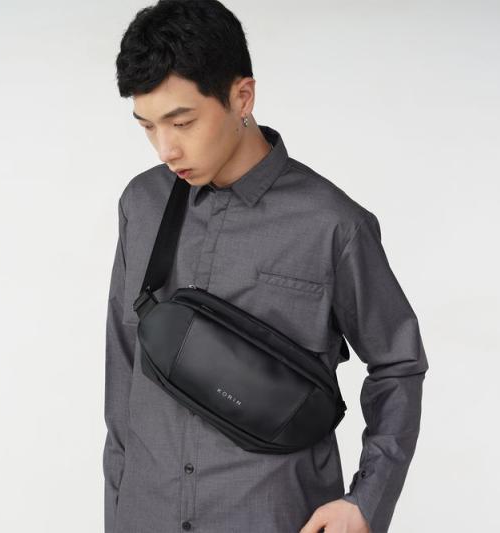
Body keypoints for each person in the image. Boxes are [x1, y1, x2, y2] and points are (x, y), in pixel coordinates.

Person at [103, 1, 429, 532]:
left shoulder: (333, 224)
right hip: (148, 513)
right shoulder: (142, 204)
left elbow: (398, 363)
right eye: (148, 127)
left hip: (275, 517)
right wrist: (117, 512)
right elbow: (123, 363)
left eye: (182, 122)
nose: (166, 148)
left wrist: (366, 501)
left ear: (242, 97)